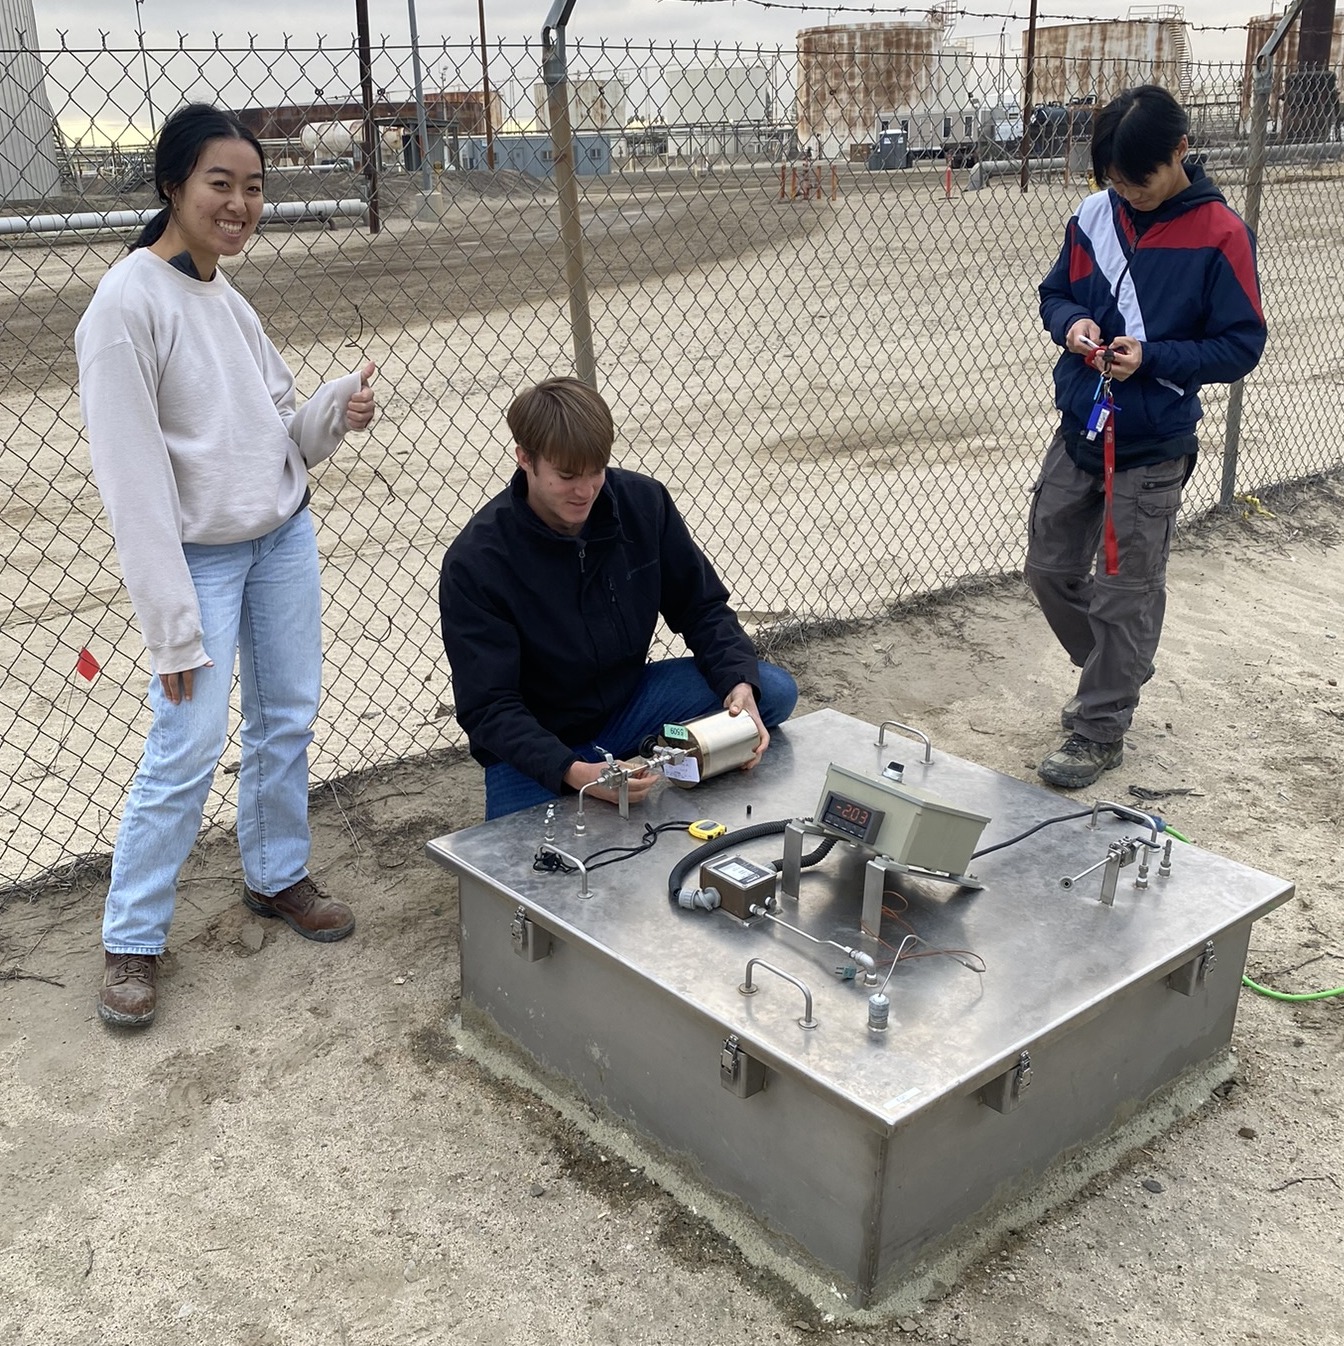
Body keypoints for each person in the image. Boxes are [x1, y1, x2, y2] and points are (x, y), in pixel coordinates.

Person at [75, 103, 377, 1029]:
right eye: (221, 183)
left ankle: (275, 875)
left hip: (280, 539)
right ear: (173, 183)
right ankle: (132, 938)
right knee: (186, 746)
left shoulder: (227, 300)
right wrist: (172, 628)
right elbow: (133, 490)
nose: (241, 203)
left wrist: (332, 407)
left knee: (287, 715)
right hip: (199, 564)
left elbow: (279, 434)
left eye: (253, 186)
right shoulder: (127, 306)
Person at [1029, 85, 1266, 789]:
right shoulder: (1095, 216)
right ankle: (1122, 665)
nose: (1128, 194)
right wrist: (1073, 326)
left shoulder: (1221, 233)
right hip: (1084, 419)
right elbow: (1055, 292)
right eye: (1116, 181)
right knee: (1048, 570)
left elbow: (1241, 345)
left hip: (1154, 440)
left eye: (1142, 179)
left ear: (1182, 153)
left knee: (1125, 593)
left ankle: (1099, 728)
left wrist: (1155, 357)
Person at [438, 377, 797, 819]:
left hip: (630, 703)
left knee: (771, 691)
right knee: (517, 849)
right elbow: (489, 707)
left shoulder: (643, 503)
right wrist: (572, 771)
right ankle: (602, 770)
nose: (585, 491)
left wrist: (738, 683)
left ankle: (640, 751)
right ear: (525, 459)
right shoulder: (477, 561)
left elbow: (702, 608)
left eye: (596, 471)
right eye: (567, 476)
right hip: (543, 734)